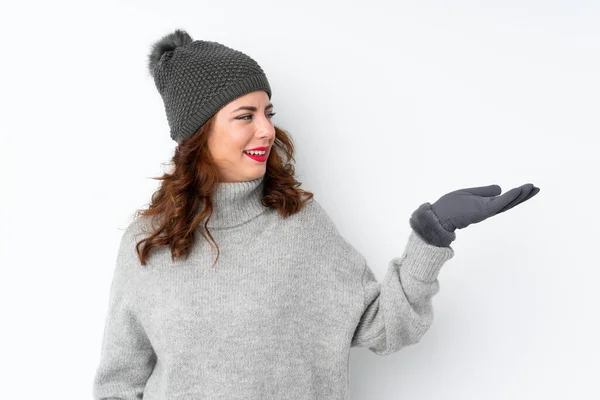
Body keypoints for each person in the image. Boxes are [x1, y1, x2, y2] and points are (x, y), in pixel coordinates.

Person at [92, 28, 540, 400]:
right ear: (198, 132)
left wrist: (432, 234)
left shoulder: (298, 223)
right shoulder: (147, 241)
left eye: (268, 112)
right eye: (244, 115)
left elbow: (382, 327)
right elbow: (117, 384)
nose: (266, 129)